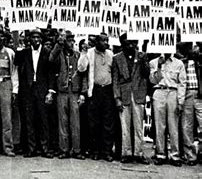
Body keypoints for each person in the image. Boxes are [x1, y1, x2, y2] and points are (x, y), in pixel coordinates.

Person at [14, 29, 55, 158]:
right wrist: (18, 47)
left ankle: (45, 148)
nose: (36, 40)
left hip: (42, 89)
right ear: (29, 40)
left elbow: (51, 73)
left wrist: (50, 91)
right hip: (28, 89)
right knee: (29, 119)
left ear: (41, 39)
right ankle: (30, 148)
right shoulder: (24, 53)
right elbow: (16, 62)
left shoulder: (47, 53)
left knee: (43, 119)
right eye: (33, 38)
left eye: (38, 38)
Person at [112, 33, 150, 164]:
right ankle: (126, 153)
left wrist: (145, 61)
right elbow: (115, 79)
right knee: (125, 126)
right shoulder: (117, 58)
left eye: (131, 43)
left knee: (139, 126)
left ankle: (139, 153)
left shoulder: (141, 56)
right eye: (126, 43)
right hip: (124, 95)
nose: (129, 46)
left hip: (138, 94)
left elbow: (146, 74)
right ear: (122, 44)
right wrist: (117, 98)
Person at [78, 33, 115, 162]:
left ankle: (107, 151)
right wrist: (83, 52)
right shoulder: (89, 53)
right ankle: (95, 151)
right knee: (94, 123)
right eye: (103, 41)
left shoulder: (110, 54)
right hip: (95, 91)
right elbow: (81, 68)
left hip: (108, 91)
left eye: (107, 41)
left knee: (108, 123)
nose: (106, 43)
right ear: (97, 42)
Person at [49, 31, 86, 160]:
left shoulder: (78, 55)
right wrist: (59, 44)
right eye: (68, 41)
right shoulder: (59, 54)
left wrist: (83, 93)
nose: (71, 43)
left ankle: (76, 150)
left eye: (72, 41)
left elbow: (83, 73)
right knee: (62, 122)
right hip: (62, 91)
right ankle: (63, 149)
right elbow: (51, 58)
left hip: (75, 91)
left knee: (75, 123)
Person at [149, 51, 186, 166]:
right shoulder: (153, 62)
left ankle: (175, 155)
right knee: (160, 125)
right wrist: (159, 66)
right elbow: (153, 80)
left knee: (173, 126)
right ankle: (160, 154)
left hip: (173, 92)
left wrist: (180, 101)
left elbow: (182, 83)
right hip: (159, 91)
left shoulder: (179, 63)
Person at [175, 42, 198, 166]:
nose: (192, 49)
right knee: (186, 126)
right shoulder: (180, 62)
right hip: (187, 92)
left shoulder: (198, 59)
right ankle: (190, 156)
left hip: (199, 94)